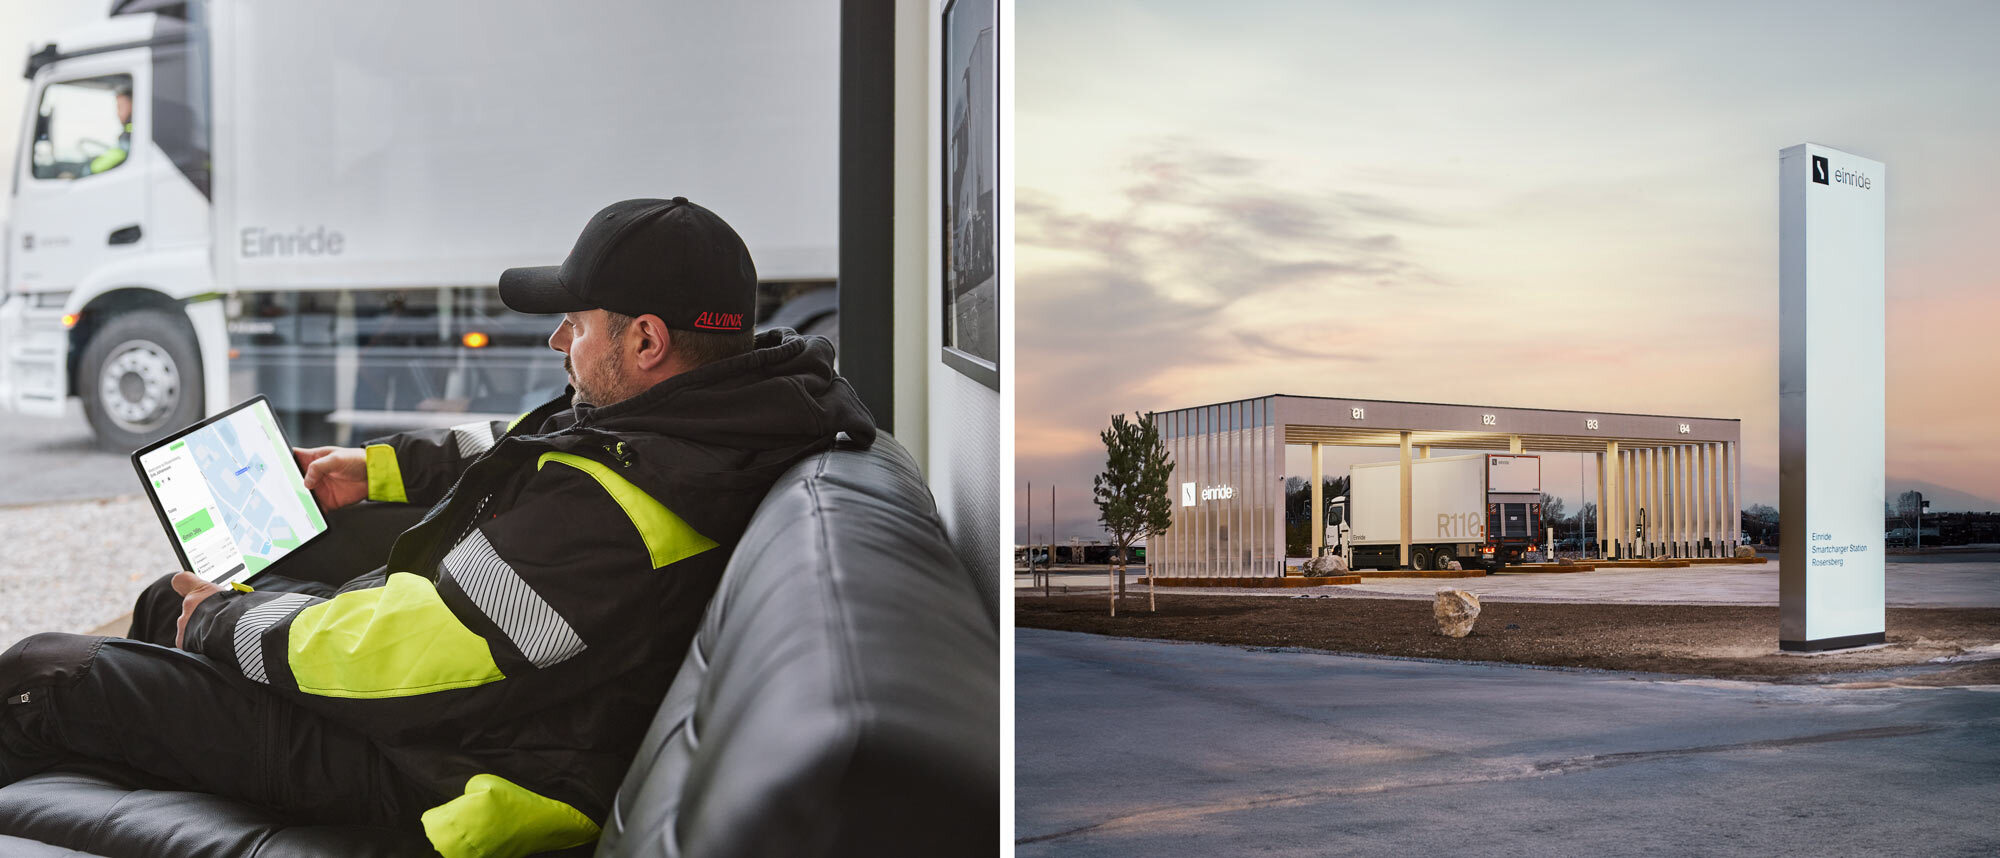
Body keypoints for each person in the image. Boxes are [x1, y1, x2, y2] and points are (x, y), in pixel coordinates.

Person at [0, 198, 876, 856]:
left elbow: (397, 657)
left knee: (46, 671)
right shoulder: (695, 427)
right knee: (167, 604)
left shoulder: (624, 512)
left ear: (645, 341)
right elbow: (529, 444)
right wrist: (371, 469)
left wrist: (225, 619)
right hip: (479, 717)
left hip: (451, 774)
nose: (557, 340)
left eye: (576, 322)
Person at [85, 85, 132, 175]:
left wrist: (88, 169)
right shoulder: (131, 130)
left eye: (120, 107)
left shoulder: (132, 133)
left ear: (133, 105)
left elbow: (118, 154)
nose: (118, 113)